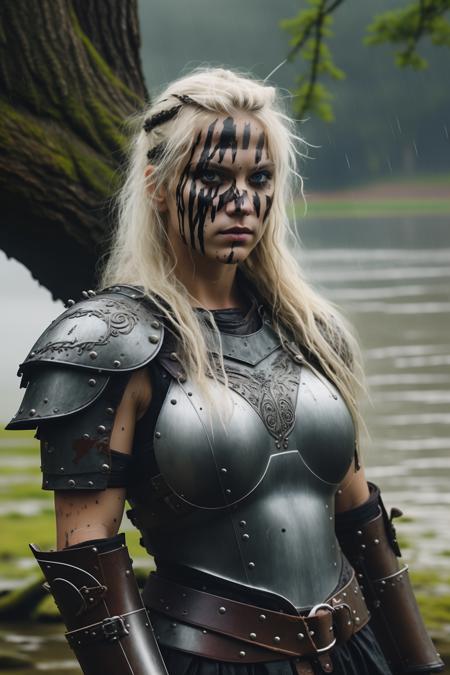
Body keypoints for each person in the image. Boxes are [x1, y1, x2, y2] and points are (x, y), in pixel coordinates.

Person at [7, 68, 443, 675]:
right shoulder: (108, 343)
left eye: (259, 179)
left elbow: (360, 517)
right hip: (208, 658)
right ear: (157, 186)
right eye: (212, 176)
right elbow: (87, 558)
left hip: (353, 652)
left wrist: (420, 663)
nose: (241, 200)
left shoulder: (311, 330)